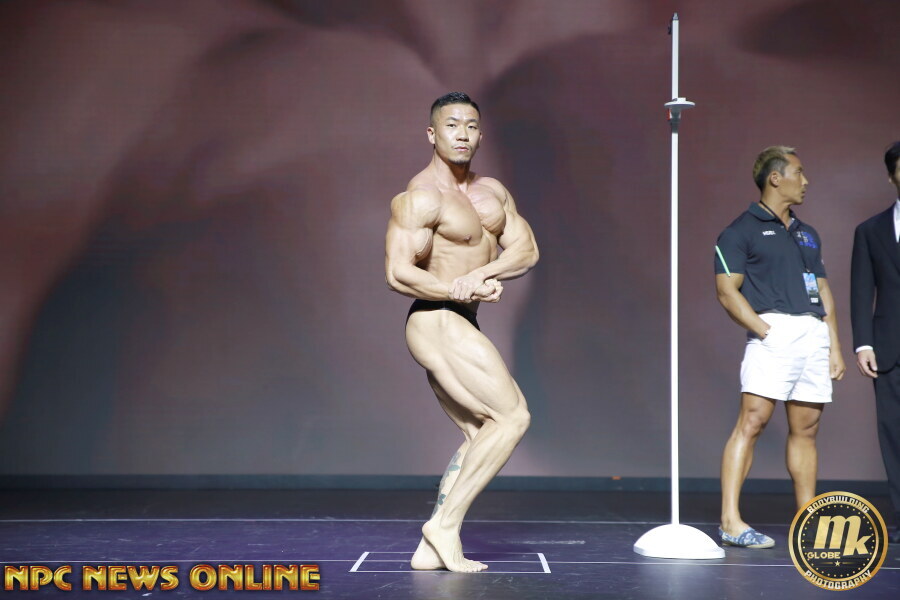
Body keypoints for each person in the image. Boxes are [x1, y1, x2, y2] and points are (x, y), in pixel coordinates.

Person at [384, 92, 539, 572]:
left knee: (479, 433)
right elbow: (397, 272)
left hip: (462, 318)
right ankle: (445, 527)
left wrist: (482, 274)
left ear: (480, 135)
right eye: (452, 125)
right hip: (435, 317)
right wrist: (456, 287)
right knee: (512, 417)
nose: (462, 134)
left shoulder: (493, 192)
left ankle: (429, 550)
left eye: (471, 126)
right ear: (432, 134)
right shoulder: (421, 198)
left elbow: (527, 250)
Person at [713, 146, 845, 548]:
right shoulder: (740, 231)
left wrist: (834, 346)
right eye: (799, 173)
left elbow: (823, 290)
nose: (806, 181)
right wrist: (764, 330)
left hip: (813, 334)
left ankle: (807, 521)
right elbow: (726, 291)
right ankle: (730, 521)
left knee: (807, 429)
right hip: (774, 331)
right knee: (752, 422)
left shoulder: (808, 233)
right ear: (775, 178)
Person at [850, 141, 900, 544]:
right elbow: (861, 290)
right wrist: (863, 344)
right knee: (894, 436)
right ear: (891, 176)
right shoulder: (870, 231)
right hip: (889, 349)